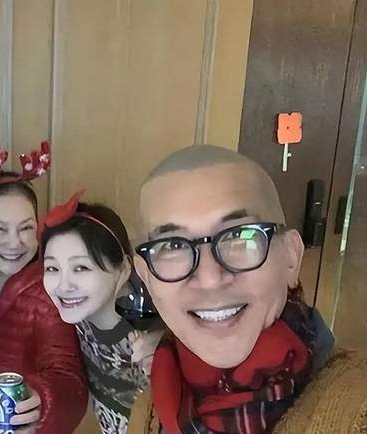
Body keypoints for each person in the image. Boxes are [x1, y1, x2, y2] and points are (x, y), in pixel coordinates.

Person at [134, 144, 367, 433]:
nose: (210, 279)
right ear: (145, 276)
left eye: (239, 235)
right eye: (172, 245)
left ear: (291, 257)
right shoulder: (151, 406)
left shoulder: (358, 407)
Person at [0, 136, 88, 433]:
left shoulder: (47, 291)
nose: (15, 243)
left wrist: (40, 400)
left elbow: (68, 378)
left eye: (26, 228)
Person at [41, 194, 161, 434]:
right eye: (52, 268)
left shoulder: (150, 337)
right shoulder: (74, 317)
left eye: (81, 268)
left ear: (124, 268)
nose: (63, 286)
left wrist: (167, 344)